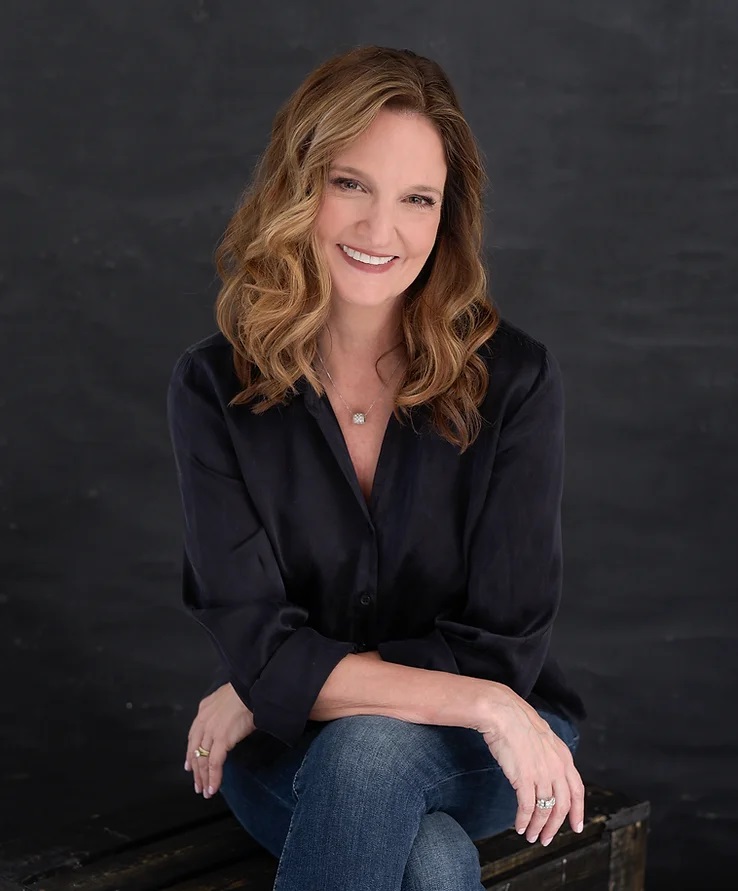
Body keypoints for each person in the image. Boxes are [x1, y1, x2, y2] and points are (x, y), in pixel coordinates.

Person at [166, 44, 587, 891]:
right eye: (350, 184)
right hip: (299, 746)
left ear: (446, 217)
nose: (379, 229)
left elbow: (501, 646)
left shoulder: (514, 383)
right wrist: (485, 704)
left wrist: (288, 679)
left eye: (416, 198)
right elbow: (258, 639)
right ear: (297, 185)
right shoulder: (215, 388)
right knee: (427, 859)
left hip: (481, 753)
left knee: (365, 754)